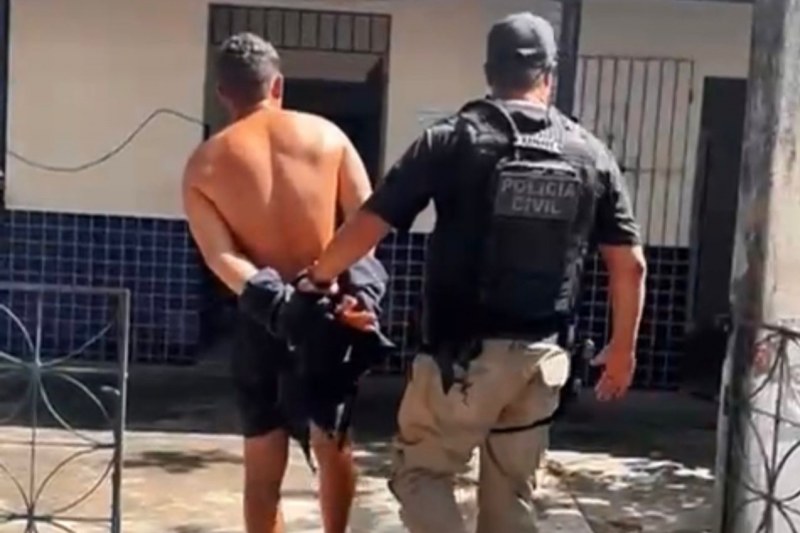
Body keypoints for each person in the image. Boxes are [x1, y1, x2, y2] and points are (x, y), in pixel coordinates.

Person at [302, 12, 647, 533]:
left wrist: (320, 275)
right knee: (512, 495)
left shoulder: (453, 139)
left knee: (421, 473)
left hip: (460, 358)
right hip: (542, 361)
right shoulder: (590, 153)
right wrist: (622, 351)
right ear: (549, 75)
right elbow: (630, 265)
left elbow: (371, 224)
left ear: (489, 71)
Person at [182, 33, 373, 533]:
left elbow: (222, 257)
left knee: (263, 468)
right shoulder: (330, 137)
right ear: (278, 85)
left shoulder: (203, 165)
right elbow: (366, 227)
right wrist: (353, 294)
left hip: (260, 322)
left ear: (223, 93)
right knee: (333, 446)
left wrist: (277, 302)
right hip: (328, 311)